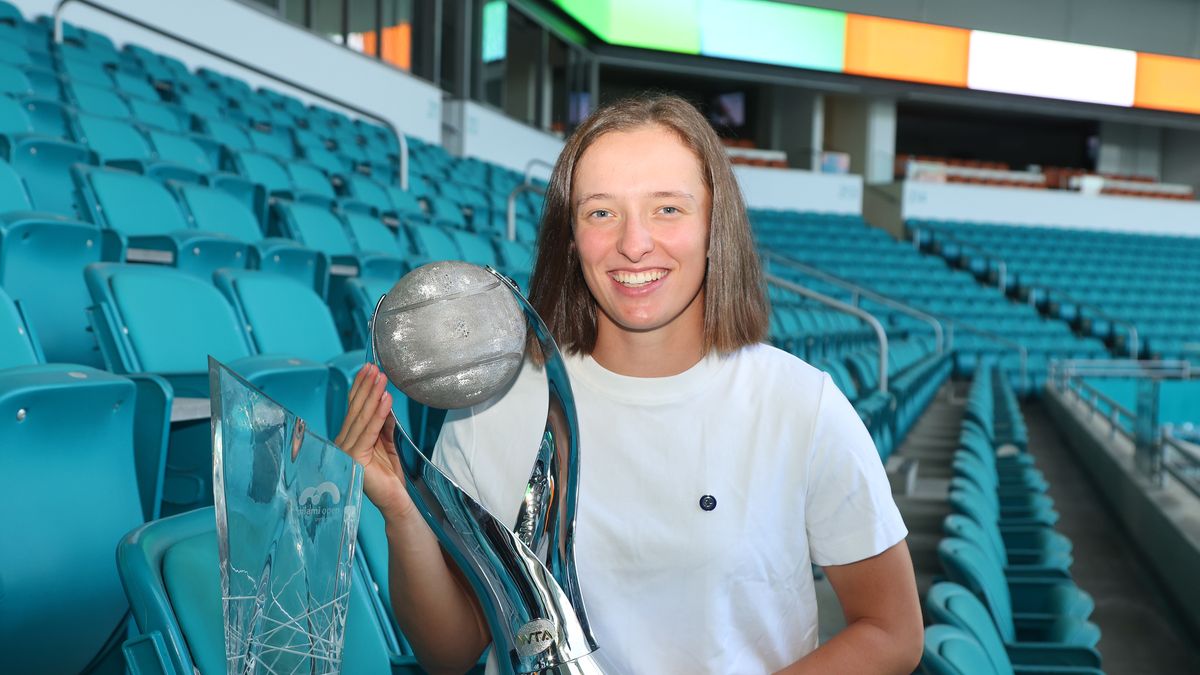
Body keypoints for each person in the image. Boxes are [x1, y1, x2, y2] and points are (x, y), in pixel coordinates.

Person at [335, 94, 923, 674]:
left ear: (715, 225)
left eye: (668, 208)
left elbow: (892, 631)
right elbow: (450, 651)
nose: (633, 242)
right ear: (570, 239)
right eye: (600, 212)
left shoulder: (802, 404)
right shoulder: (499, 404)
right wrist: (402, 513)